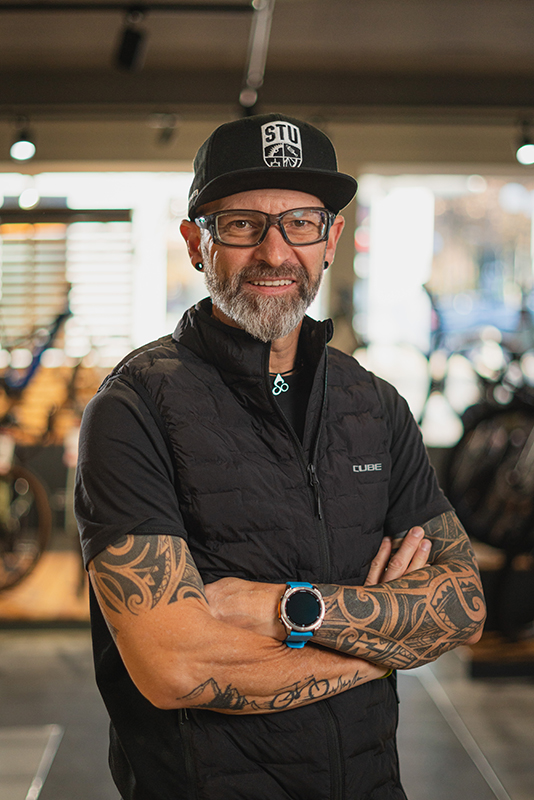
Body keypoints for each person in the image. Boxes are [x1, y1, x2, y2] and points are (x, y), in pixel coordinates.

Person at [75, 113, 486, 800]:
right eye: (242, 224)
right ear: (196, 243)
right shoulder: (133, 409)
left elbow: (464, 604)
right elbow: (176, 666)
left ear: (331, 241)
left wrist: (286, 610)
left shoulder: (374, 404)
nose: (275, 252)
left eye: (301, 223)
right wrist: (382, 646)